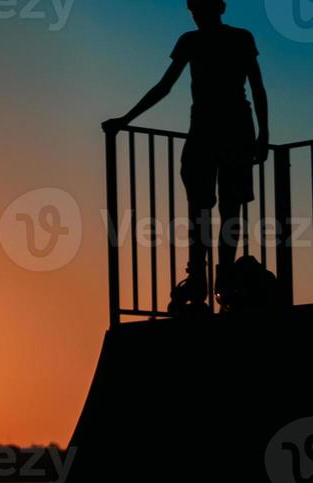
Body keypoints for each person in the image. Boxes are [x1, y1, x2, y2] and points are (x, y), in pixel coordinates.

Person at [103, 0, 269, 310]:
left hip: (229, 132)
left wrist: (264, 135)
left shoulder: (233, 38)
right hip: (213, 132)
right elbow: (164, 87)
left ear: (215, 9)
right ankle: (203, 278)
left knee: (222, 209)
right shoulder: (195, 41)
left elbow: (257, 86)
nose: (196, 15)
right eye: (193, 10)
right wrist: (126, 119)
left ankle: (219, 277)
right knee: (204, 208)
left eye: (199, 9)